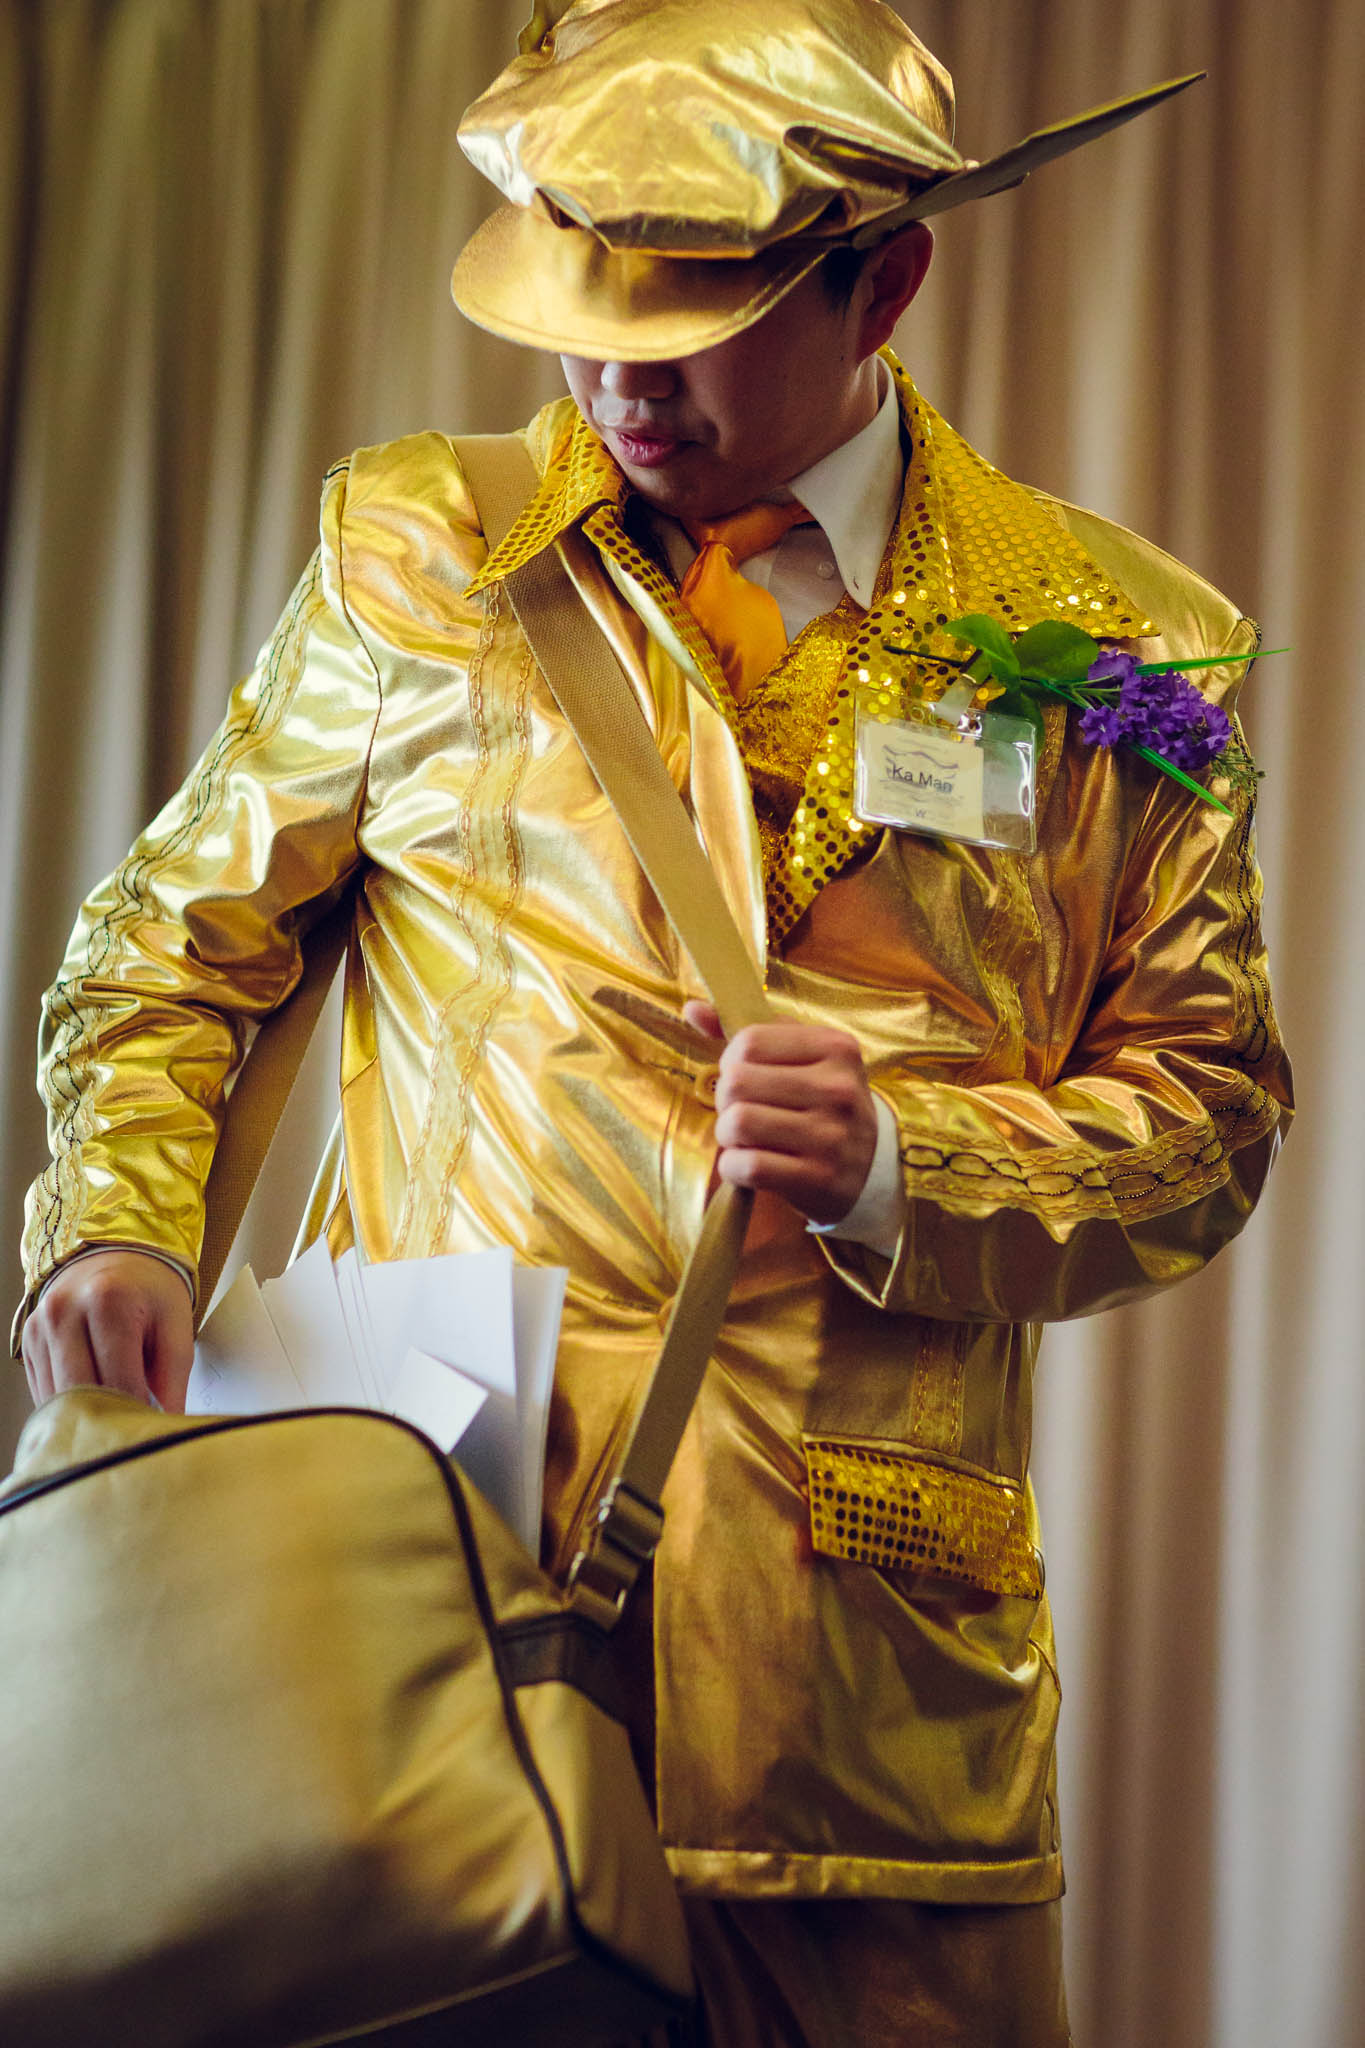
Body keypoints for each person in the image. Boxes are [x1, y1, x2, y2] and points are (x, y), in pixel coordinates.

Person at [14, 2, 1291, 2041]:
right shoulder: (414, 550)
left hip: (865, 1711)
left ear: (888, 280)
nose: (614, 380)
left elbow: (1210, 1117)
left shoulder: (1135, 652)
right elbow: (168, 947)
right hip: (420, 1649)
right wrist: (120, 1225)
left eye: (689, 324)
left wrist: (903, 1159)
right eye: (572, 314)